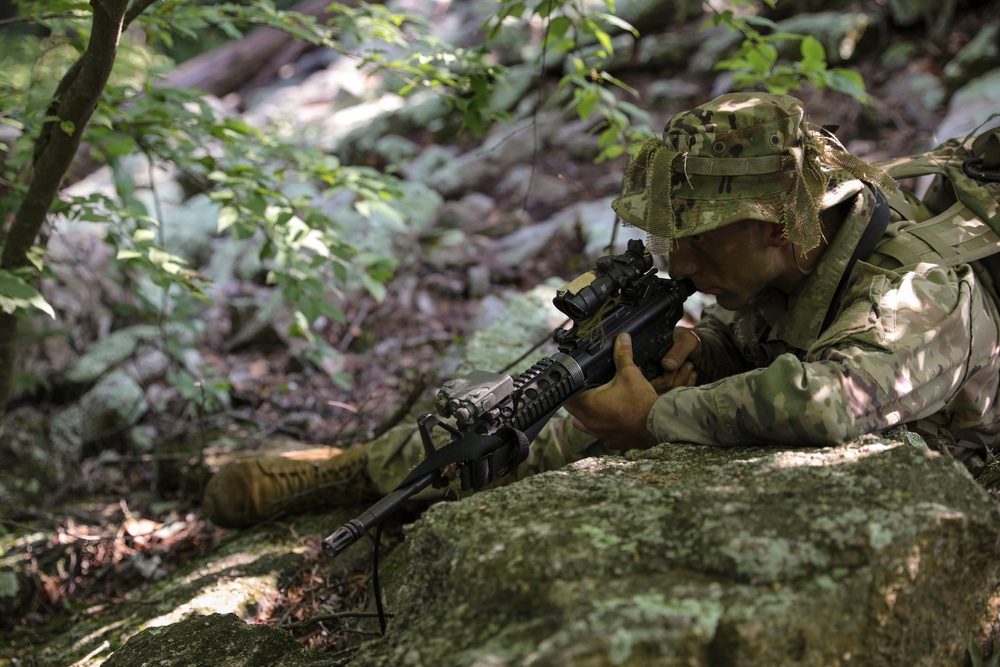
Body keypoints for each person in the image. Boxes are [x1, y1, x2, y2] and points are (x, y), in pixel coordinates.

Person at [203, 92, 1000, 529]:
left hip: (957, 469)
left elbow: (830, 401)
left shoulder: (919, 291)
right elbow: (777, 323)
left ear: (769, 226)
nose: (677, 264)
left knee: (635, 411)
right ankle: (375, 469)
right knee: (583, 391)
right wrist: (704, 351)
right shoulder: (795, 244)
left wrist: (657, 417)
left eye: (696, 243)